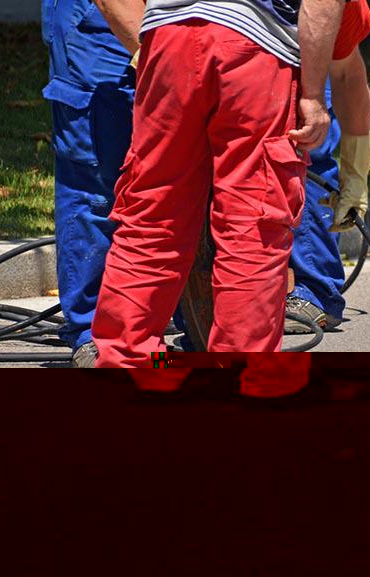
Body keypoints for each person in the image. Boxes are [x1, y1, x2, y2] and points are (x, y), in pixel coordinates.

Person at [89, 0, 347, 396]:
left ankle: (131, 363)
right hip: (255, 49)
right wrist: (312, 96)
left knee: (152, 215)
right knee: (252, 226)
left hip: (166, 39)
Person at [41, 0, 135, 366]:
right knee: (95, 183)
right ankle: (94, 332)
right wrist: (150, 55)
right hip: (98, 23)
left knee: (178, 177)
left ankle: (174, 331)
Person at [284, 0, 370, 334]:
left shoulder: (334, 7)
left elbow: (347, 72)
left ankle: (314, 293)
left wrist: (355, 171)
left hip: (296, 52)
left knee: (306, 150)